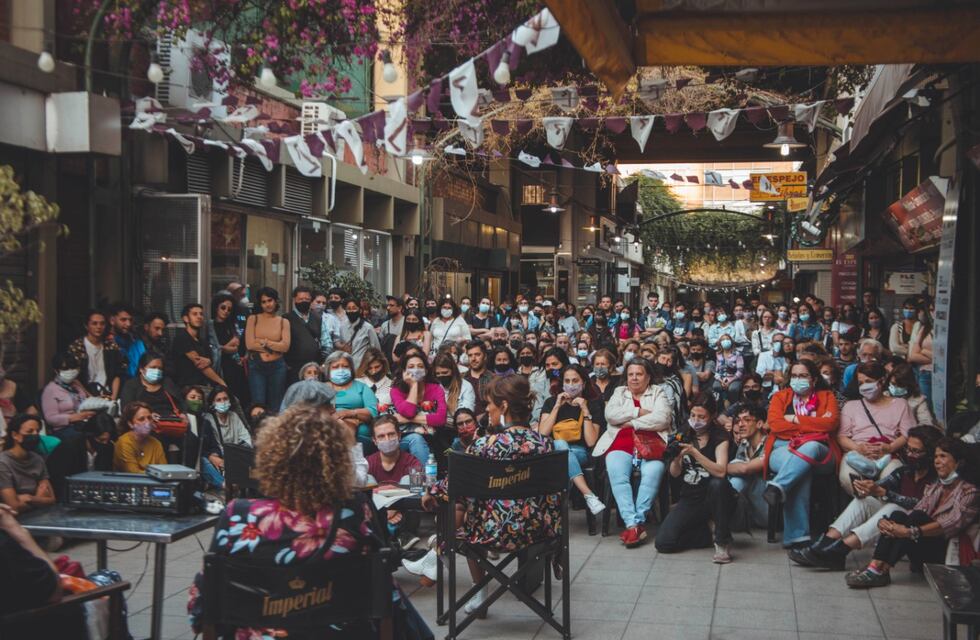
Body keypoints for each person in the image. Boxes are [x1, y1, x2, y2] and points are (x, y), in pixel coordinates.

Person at [188, 404, 398, 639]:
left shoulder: (238, 516)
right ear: (337, 462)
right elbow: (386, 601)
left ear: (271, 459)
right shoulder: (354, 512)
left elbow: (200, 610)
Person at [409, 375, 560, 614]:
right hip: (539, 532)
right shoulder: (546, 445)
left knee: (464, 515)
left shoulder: (484, 445)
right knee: (469, 506)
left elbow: (454, 484)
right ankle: (439, 554)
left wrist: (430, 492)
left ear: (504, 406)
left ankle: (458, 571)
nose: (487, 409)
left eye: (489, 404)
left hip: (492, 534)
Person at [791, 425, 940, 570]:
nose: (909, 455)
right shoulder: (906, 471)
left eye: (916, 451)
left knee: (894, 508)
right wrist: (867, 488)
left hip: (918, 535)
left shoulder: (937, 479)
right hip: (896, 524)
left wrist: (885, 493)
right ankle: (824, 544)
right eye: (908, 449)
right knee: (864, 501)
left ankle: (840, 550)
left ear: (930, 454)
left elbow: (921, 505)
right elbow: (883, 484)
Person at [846, 437, 979, 588]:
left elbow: (950, 524)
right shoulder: (936, 487)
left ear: (958, 462)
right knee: (898, 515)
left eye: (943, 456)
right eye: (936, 456)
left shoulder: (970, 492)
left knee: (915, 518)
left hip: (944, 552)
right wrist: (885, 523)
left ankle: (878, 571)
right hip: (921, 545)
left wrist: (909, 532)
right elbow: (918, 509)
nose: (937, 461)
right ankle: (876, 568)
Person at [764, 360, 840, 548]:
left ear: (814, 379)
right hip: (782, 448)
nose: (798, 379)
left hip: (820, 451)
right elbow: (776, 425)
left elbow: (830, 425)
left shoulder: (827, 396)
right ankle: (796, 537)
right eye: (795, 376)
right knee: (800, 468)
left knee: (810, 448)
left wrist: (795, 419)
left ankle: (777, 487)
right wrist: (812, 426)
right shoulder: (780, 397)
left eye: (803, 375)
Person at [599, 358, 673, 548]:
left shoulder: (658, 392)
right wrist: (638, 411)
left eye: (639, 374)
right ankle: (633, 524)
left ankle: (636, 523)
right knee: (618, 474)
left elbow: (663, 418)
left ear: (648, 377)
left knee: (653, 471)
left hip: (652, 444)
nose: (634, 378)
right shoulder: (619, 392)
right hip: (620, 443)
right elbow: (611, 415)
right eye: (630, 374)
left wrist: (632, 422)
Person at [656, 393, 738, 563]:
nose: (696, 420)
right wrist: (677, 458)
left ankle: (722, 541)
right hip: (690, 497)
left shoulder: (720, 436)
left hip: (715, 496)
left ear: (712, 416)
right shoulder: (683, 432)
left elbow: (721, 471)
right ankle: (706, 532)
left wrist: (695, 453)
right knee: (664, 543)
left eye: (702, 416)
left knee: (718, 484)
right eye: (693, 415)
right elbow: (674, 473)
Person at [538, 364, 606, 515]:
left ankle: (558, 504)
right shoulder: (551, 402)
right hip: (553, 453)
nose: (571, 385)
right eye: (567, 381)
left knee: (562, 448)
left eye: (575, 380)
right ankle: (589, 495)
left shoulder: (593, 403)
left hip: (581, 451)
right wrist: (557, 406)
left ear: (584, 382)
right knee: (560, 444)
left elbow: (591, 441)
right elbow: (542, 434)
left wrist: (585, 410)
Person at [837, 361, 914, 494]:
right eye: (860, 383)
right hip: (857, 453)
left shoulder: (901, 404)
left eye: (868, 381)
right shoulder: (851, 406)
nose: (864, 386)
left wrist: (890, 448)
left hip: (889, 455)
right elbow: (842, 436)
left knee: (890, 478)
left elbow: (908, 434)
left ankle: (877, 506)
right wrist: (858, 448)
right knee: (848, 478)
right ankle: (869, 506)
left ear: (882, 381)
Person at [391, 353, 449, 456]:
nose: (416, 370)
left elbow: (441, 419)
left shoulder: (436, 388)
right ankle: (425, 472)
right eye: (411, 367)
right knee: (416, 438)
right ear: (404, 372)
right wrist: (414, 385)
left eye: (420, 366)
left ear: (426, 371)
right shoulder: (396, 390)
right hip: (405, 437)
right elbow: (409, 412)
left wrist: (408, 419)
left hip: (433, 437)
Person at [245, 289, 290, 412]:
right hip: (257, 365)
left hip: (278, 366)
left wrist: (265, 342)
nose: (267, 304)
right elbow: (250, 344)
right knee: (258, 404)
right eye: (263, 302)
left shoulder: (283, 321)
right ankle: (259, 431)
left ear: (275, 301)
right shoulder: (253, 319)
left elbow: (285, 347)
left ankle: (275, 431)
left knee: (276, 405)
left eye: (270, 300)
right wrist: (274, 346)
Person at [323, 351, 379, 450]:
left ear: (351, 369)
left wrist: (348, 413)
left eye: (345, 366)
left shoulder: (362, 387)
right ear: (328, 370)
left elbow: (373, 412)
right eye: (336, 367)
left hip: (361, 438)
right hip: (327, 432)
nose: (340, 370)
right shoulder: (321, 389)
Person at [0, 415, 55, 512]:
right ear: (15, 435)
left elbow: (51, 499)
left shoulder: (37, 459)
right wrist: (40, 499)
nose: (35, 435)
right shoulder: (3, 463)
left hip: (40, 515)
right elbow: (13, 507)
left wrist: (31, 498)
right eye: (29, 432)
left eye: (37, 431)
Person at [727, 404, 769, 528]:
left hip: (767, 512)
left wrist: (720, 468)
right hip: (749, 511)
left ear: (760, 424)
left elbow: (745, 469)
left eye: (747, 420)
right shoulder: (744, 443)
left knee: (738, 470)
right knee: (736, 476)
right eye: (739, 420)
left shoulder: (770, 443)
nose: (740, 424)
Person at [67, 309, 124, 399]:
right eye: (94, 323)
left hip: (108, 393)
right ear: (86, 326)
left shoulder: (111, 346)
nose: (99, 327)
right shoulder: (77, 347)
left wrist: (113, 397)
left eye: (102, 324)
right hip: (84, 395)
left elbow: (117, 374)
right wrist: (90, 397)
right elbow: (74, 377)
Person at [41, 352, 95, 440]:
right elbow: (50, 418)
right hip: (64, 429)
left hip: (83, 423)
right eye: (65, 368)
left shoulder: (76, 386)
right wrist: (74, 417)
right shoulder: (51, 390)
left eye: (73, 368)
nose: (70, 371)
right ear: (56, 370)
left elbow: (86, 400)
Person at [173, 303, 228, 390]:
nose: (199, 317)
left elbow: (210, 361)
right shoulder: (182, 338)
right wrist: (222, 383)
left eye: (201, 314)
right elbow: (200, 364)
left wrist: (209, 361)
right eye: (195, 314)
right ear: (186, 318)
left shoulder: (202, 341)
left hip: (203, 387)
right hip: (187, 389)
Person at [208, 292, 249, 405]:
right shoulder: (210, 326)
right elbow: (212, 347)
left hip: (234, 367)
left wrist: (226, 347)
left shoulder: (231, 325)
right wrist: (225, 347)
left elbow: (236, 346)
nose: (226, 311)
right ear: (216, 307)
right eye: (223, 307)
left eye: (229, 309)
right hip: (219, 368)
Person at [282, 285, 325, 384]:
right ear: (294, 300)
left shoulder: (317, 318)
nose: (304, 301)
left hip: (313, 367)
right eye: (300, 299)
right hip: (294, 367)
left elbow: (321, 339)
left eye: (307, 299)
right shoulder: (286, 318)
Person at [119, 352, 183, 416]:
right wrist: (148, 416)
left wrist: (182, 414)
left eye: (160, 368)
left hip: (171, 422)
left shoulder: (167, 382)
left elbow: (181, 402)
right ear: (141, 369)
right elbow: (127, 410)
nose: (157, 371)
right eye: (153, 367)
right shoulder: (131, 385)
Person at [113, 401, 167, 473]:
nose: (147, 422)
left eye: (149, 418)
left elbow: (164, 471)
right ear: (130, 424)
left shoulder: (156, 443)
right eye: (141, 419)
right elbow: (133, 473)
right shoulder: (124, 443)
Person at [367, 415, 424, 482]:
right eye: (381, 436)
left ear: (399, 435)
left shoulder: (412, 463)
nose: (387, 439)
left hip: (406, 492)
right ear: (374, 441)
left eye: (391, 434)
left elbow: (421, 490)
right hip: (373, 491)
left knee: (407, 480)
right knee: (368, 478)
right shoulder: (367, 464)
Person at [433, 352, 475, 430]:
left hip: (458, 429)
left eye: (445, 373)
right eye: (438, 373)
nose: (441, 376)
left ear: (452, 371)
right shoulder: (435, 386)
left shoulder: (465, 387)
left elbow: (466, 416)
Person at [108, 303, 145, 379]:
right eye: (123, 320)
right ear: (112, 320)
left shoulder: (136, 343)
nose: (128, 324)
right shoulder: (106, 343)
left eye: (130, 320)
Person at [908, 306, 934, 412]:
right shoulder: (924, 329)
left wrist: (923, 351)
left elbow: (945, 357)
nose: (933, 312)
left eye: (935, 309)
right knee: (926, 408)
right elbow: (913, 356)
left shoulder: (949, 329)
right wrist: (934, 357)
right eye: (931, 309)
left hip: (943, 375)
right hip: (925, 374)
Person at [343, 298, 382, 368]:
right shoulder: (342, 327)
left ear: (360, 310)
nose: (351, 311)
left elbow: (376, 350)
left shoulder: (368, 327)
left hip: (362, 368)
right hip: (346, 367)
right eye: (348, 308)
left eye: (354, 308)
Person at [463, 340, 493, 424]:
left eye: (477, 354)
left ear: (485, 356)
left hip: (486, 425)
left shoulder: (494, 379)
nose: (473, 359)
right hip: (463, 425)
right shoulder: (461, 379)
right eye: (470, 355)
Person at [714, 334, 744, 405]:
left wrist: (729, 381)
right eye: (723, 340)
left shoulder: (737, 354)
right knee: (716, 386)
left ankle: (734, 406)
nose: (725, 341)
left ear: (731, 341)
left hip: (734, 378)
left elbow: (740, 371)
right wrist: (721, 381)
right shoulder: (718, 354)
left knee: (732, 389)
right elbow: (716, 371)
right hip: (721, 378)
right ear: (720, 343)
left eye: (727, 339)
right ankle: (719, 407)